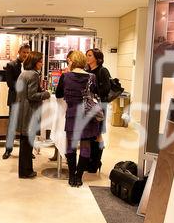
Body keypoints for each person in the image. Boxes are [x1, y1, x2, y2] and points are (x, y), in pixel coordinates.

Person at [56, 50, 100, 187]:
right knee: (86, 145)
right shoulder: (92, 77)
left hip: (72, 115)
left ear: (71, 61)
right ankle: (79, 177)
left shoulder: (65, 77)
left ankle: (71, 176)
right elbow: (96, 94)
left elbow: (58, 94)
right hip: (88, 116)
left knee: (71, 146)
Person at [15, 51, 51, 179]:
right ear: (35, 62)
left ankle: (25, 170)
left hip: (22, 111)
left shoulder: (24, 73)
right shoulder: (34, 75)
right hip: (30, 112)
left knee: (25, 143)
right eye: (40, 61)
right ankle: (26, 171)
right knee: (27, 145)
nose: (42, 64)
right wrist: (45, 94)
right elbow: (32, 95)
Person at [3, 44, 31, 160]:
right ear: (19, 52)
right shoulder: (11, 65)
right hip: (15, 100)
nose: (26, 54)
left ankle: (27, 151)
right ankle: (8, 150)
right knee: (12, 126)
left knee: (27, 126)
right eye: (24, 52)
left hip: (27, 101)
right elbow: (10, 84)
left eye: (28, 52)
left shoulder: (30, 66)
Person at [85, 48, 111, 173]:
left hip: (100, 107)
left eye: (90, 55)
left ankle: (96, 162)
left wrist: (93, 94)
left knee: (98, 134)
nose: (87, 57)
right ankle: (90, 160)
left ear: (97, 58)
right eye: (87, 55)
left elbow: (106, 90)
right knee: (90, 133)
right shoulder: (87, 71)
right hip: (89, 107)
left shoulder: (103, 71)